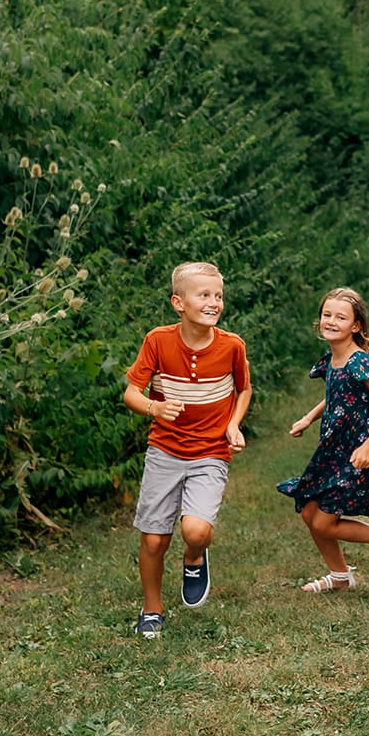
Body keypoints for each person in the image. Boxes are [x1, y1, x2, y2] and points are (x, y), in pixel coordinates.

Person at [122, 261, 252, 638]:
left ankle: (194, 557)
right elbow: (131, 391)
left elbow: (243, 388)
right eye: (204, 295)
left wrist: (232, 424)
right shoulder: (158, 341)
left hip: (211, 451)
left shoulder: (231, 346)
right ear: (179, 302)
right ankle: (151, 609)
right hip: (164, 449)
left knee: (195, 531)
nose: (214, 302)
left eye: (218, 296)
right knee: (153, 538)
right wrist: (155, 408)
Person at [278, 287, 369, 593]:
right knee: (309, 511)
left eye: (340, 317)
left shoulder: (361, 363)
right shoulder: (333, 360)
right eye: (327, 315)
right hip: (332, 450)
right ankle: (340, 576)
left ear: (356, 326)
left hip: (357, 451)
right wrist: (308, 418)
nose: (331, 321)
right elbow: (336, 396)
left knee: (323, 522)